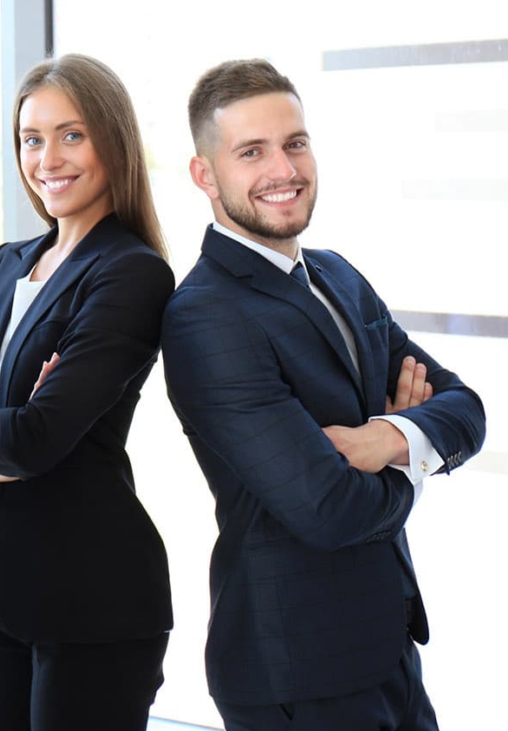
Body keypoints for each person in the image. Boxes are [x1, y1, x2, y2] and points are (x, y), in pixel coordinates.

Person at [161, 59, 486, 730]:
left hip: (388, 648)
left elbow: (466, 406)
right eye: (252, 151)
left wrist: (389, 439)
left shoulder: (337, 274)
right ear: (205, 174)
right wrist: (418, 461)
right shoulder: (205, 315)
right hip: (297, 672)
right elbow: (328, 508)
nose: (284, 168)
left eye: (295, 142)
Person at [0, 53, 173, 731]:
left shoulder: (131, 273)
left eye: (71, 134)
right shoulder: (4, 264)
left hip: (90, 603)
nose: (47, 157)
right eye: (31, 138)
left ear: (112, 140)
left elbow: (32, 442)